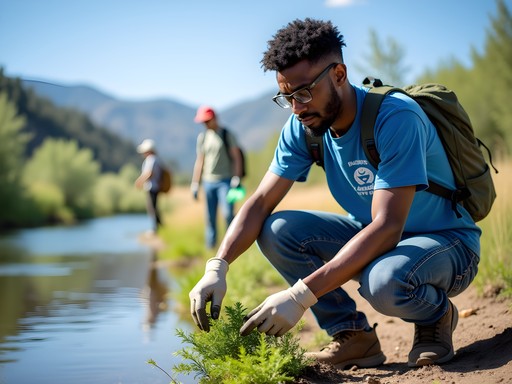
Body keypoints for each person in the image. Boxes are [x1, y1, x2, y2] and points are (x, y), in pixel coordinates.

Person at [189, 18, 482, 370]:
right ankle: (353, 336)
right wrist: (217, 266)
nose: (297, 108)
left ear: (339, 75)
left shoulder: (395, 117)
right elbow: (261, 202)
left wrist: (300, 296)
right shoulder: (304, 127)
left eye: (303, 93)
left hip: (446, 243)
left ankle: (436, 317)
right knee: (277, 229)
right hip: (375, 240)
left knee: (384, 282)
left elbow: (388, 226)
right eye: (286, 97)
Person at [191, 106, 244, 249]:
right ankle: (212, 247)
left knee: (228, 214)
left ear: (214, 119)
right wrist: (195, 183)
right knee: (210, 218)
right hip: (208, 182)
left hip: (226, 182)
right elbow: (200, 161)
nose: (205, 124)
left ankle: (231, 245)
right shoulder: (202, 138)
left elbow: (236, 157)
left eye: (207, 121)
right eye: (203, 122)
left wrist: (236, 177)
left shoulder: (227, 134)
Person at [135, 138, 164, 234]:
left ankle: (156, 228)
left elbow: (149, 173)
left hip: (152, 187)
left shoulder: (151, 159)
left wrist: (140, 181)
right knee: (154, 207)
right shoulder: (156, 159)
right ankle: (160, 227)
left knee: (152, 208)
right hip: (155, 186)